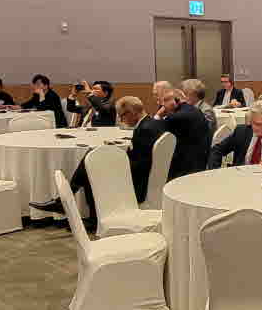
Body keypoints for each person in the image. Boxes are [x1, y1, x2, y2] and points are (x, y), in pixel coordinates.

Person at [32, 96, 157, 228]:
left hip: (139, 182)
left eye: (121, 116)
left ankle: (76, 208)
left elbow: (139, 165)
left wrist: (115, 163)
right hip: (146, 175)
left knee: (91, 166)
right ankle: (74, 208)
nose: (120, 120)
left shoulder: (143, 130)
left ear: (131, 113)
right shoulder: (152, 124)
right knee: (91, 158)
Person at [159, 87, 211, 180]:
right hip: (201, 162)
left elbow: (155, 131)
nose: (163, 106)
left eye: (164, 102)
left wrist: (158, 115)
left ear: (174, 101)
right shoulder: (196, 110)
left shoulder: (176, 117)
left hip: (184, 169)